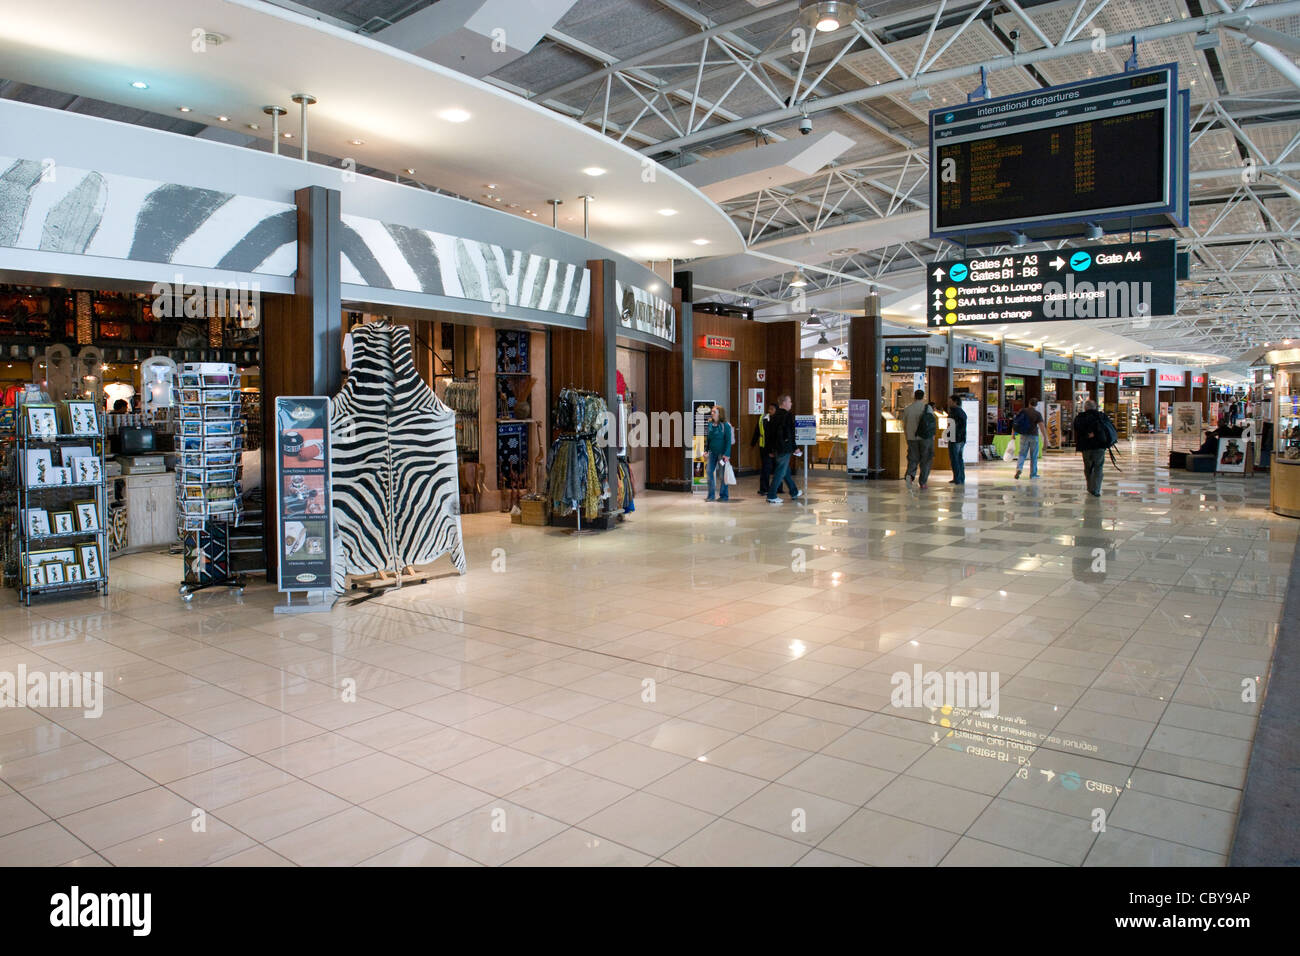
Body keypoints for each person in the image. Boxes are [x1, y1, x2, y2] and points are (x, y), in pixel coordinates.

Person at [766, 394, 801, 505]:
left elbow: (770, 434)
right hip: (784, 448)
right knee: (780, 471)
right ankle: (771, 495)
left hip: (776, 448)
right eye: (790, 401)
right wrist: (795, 448)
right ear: (784, 403)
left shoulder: (774, 416)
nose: (791, 403)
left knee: (785, 471)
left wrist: (770, 450)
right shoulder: (787, 415)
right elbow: (790, 433)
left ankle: (794, 491)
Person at [1073, 400, 1111, 497]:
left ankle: (1090, 487)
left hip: (1085, 446)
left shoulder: (1080, 417)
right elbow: (1107, 429)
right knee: (1098, 467)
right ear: (1095, 407)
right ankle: (1096, 489)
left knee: (1088, 466)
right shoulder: (1101, 416)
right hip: (1099, 445)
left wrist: (1086, 434)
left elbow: (1076, 429)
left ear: (1085, 408)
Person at [901, 389, 936, 489]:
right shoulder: (927, 407)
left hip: (912, 438)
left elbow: (904, 424)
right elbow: (932, 423)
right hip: (926, 438)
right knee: (926, 460)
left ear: (914, 396)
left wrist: (907, 436)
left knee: (912, 459)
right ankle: (923, 482)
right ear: (923, 396)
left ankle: (910, 478)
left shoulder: (908, 409)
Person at [704, 405, 732, 502]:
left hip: (722, 455)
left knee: (722, 474)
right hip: (712, 453)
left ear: (720, 414)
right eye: (712, 411)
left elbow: (728, 441)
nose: (712, 413)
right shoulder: (710, 424)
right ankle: (711, 495)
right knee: (708, 471)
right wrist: (706, 450)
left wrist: (727, 454)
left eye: (714, 412)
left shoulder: (726, 425)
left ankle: (724, 496)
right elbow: (708, 439)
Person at [1013, 400, 1047, 479]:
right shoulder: (1037, 414)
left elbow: (1015, 422)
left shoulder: (1022, 411)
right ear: (1036, 405)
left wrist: (1013, 434)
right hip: (1034, 436)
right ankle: (1033, 474)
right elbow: (1042, 426)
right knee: (1034, 456)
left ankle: (1019, 468)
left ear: (1029, 404)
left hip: (1023, 435)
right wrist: (1045, 438)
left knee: (1022, 454)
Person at [751, 402, 776, 496]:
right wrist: (753, 443)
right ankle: (764, 488)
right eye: (769, 409)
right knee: (766, 468)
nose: (770, 411)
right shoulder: (762, 418)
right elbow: (757, 431)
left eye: (772, 409)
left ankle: (777, 488)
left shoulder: (777, 419)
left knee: (777, 469)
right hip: (764, 447)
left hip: (774, 448)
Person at [946, 394, 967, 486]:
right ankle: (960, 477)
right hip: (961, 438)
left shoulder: (954, 412)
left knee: (954, 459)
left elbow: (953, 427)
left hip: (955, 439)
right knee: (959, 458)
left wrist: (948, 435)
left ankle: (957, 478)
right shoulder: (961, 412)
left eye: (950, 401)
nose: (948, 402)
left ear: (955, 402)